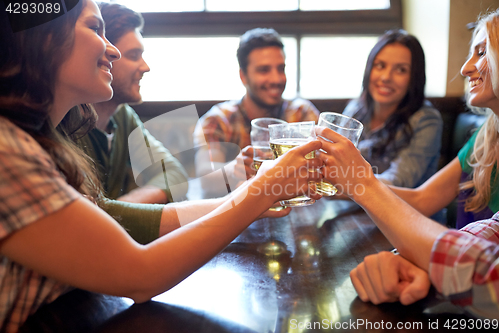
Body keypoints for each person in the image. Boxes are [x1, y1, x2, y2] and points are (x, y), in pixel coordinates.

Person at [0, 1, 323, 331]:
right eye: (96, 29)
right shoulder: (9, 150)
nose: (111, 50)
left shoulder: (56, 135)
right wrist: (259, 191)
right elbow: (139, 274)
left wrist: (249, 199)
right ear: (47, 40)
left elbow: (136, 203)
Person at [317, 10, 499, 319]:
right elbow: (482, 233)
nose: (465, 67)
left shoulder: (425, 117)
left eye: (482, 53)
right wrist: (413, 261)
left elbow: (409, 187)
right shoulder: (488, 135)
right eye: (380, 66)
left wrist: (358, 183)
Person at [76, 2, 188, 204]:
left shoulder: (122, 115)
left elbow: (173, 173)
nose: (145, 67)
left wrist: (121, 207)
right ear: (104, 55)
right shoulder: (67, 121)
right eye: (134, 56)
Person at [192, 28, 320, 195]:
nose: (276, 79)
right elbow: (205, 177)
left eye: (281, 69)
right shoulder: (220, 119)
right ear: (243, 76)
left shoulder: (301, 113)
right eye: (264, 70)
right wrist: (233, 169)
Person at [343, 29, 443, 188]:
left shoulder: (426, 119)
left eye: (401, 70)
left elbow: (398, 180)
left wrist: (341, 183)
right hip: (353, 206)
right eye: (380, 65)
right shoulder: (355, 108)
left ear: (414, 78)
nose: (386, 77)